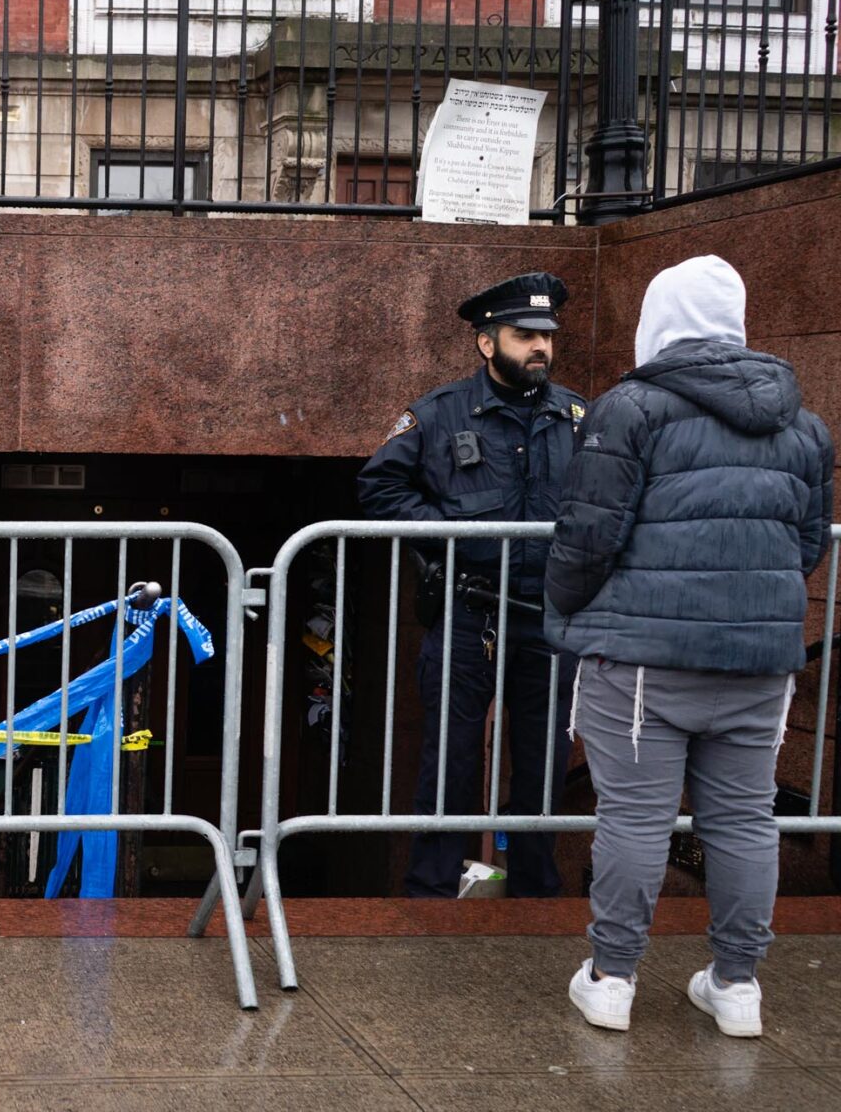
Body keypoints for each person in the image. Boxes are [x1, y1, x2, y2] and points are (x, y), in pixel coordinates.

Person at [550, 256, 831, 1038]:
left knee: (635, 821)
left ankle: (612, 979)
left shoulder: (631, 408)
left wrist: (569, 612)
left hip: (642, 656)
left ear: (659, 321)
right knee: (744, 821)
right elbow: (806, 542)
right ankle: (738, 987)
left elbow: (588, 535)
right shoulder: (804, 424)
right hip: (760, 658)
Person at [356, 273, 587, 898]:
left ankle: (536, 895)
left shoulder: (578, 418)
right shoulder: (437, 413)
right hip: (468, 613)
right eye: (524, 335)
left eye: (547, 336)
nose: (540, 347)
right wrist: (447, 532)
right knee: (450, 761)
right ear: (487, 343)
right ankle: (430, 892)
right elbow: (379, 490)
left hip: (549, 617)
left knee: (543, 768)